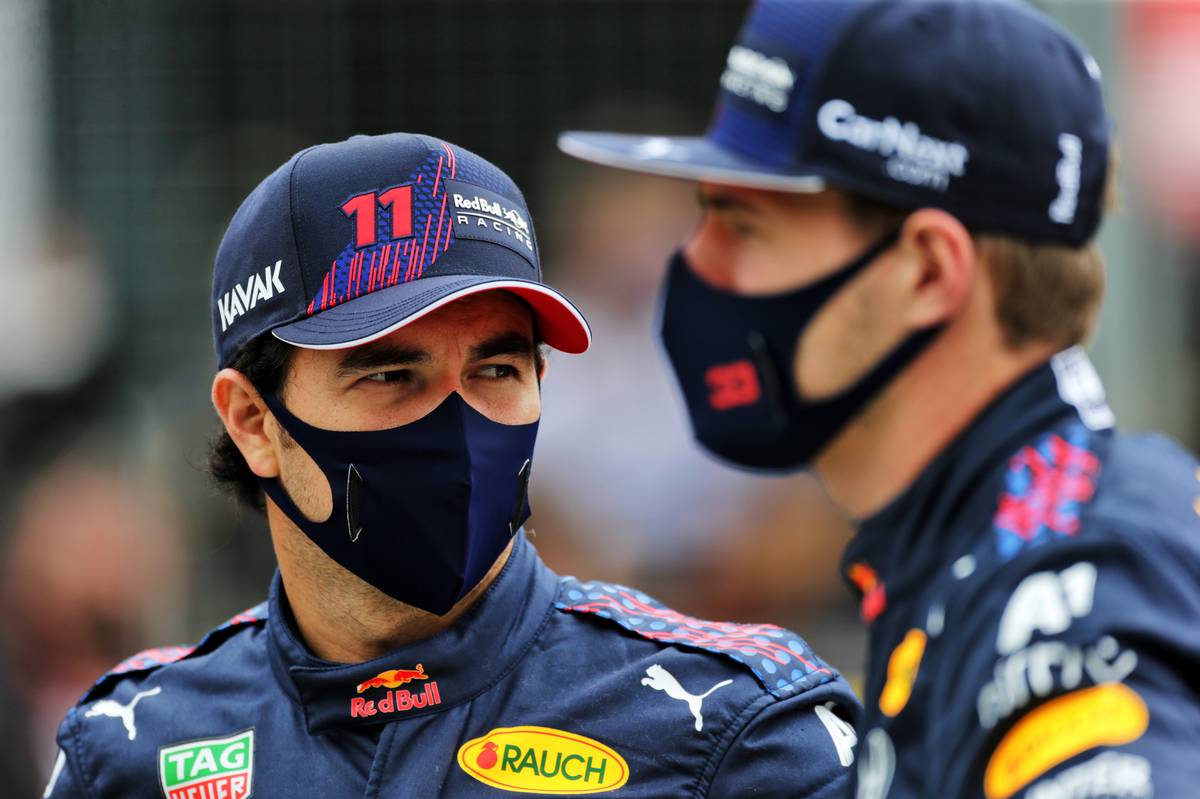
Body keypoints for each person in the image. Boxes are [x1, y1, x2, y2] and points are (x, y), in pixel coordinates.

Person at [45, 132, 859, 799]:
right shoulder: (128, 749)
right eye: (391, 375)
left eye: (497, 371)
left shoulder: (738, 732)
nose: (458, 424)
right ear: (255, 422)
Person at [559, 1, 1200, 797]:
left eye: (743, 223)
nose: (697, 265)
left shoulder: (1073, 579)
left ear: (928, 271)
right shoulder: (967, 549)